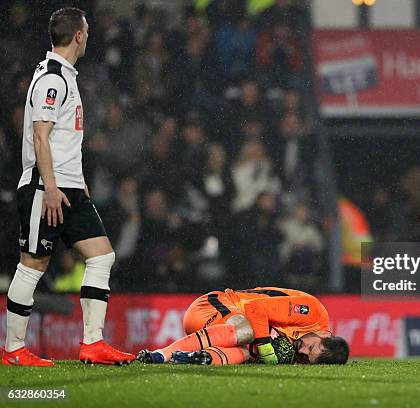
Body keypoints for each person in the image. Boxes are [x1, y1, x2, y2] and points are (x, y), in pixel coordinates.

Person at [1, 8, 135, 366]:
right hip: (47, 189)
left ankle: (92, 343)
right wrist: (51, 186)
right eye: (87, 30)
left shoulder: (65, 77)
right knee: (31, 265)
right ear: (78, 35)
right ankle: (13, 350)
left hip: (70, 188)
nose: (89, 36)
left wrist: (78, 182)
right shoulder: (52, 78)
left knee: (102, 256)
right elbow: (40, 136)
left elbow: (61, 139)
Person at [137, 287, 349, 365]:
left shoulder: (302, 348)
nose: (301, 350)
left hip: (219, 335)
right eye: (310, 347)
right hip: (213, 306)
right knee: (251, 336)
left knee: (249, 354)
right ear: (325, 334)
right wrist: (266, 347)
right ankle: (161, 354)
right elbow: (255, 307)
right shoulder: (310, 311)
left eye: (306, 357)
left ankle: (200, 357)